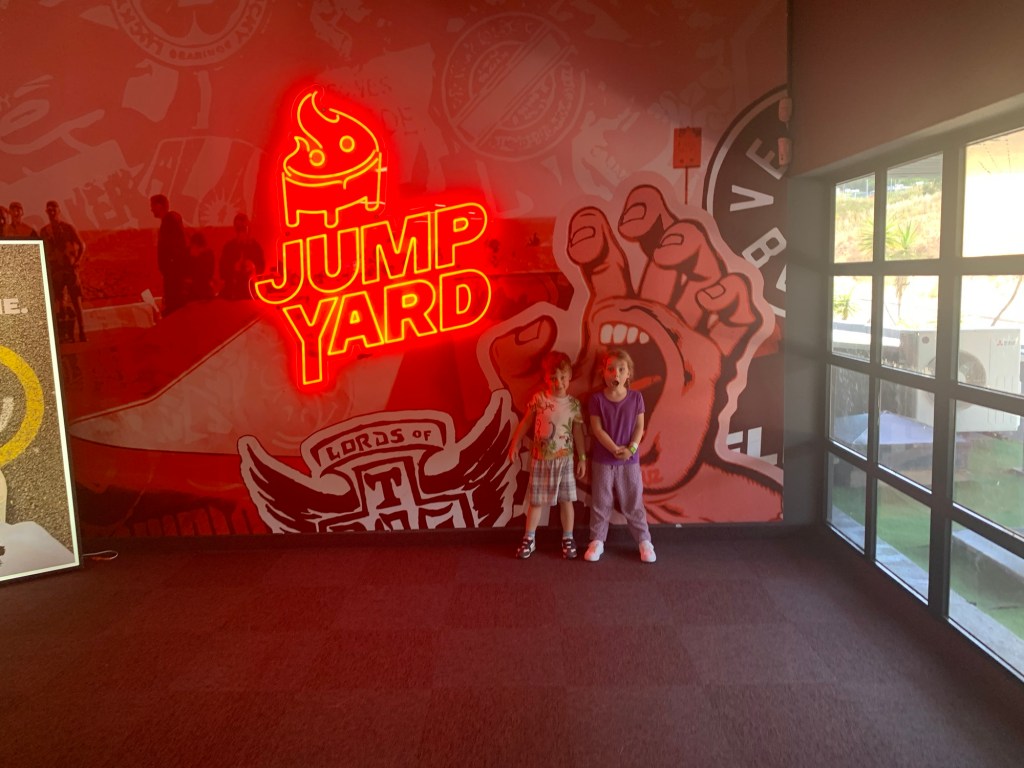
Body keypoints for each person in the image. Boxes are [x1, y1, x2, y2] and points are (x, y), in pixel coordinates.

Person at [508, 351, 586, 559]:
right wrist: (515, 443)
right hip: (541, 459)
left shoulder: (573, 404)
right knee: (536, 501)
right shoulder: (540, 399)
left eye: (562, 377)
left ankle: (568, 538)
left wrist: (582, 457)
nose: (558, 382)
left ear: (569, 376)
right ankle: (529, 538)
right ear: (546, 378)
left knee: (566, 500)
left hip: (565, 460)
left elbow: (578, 431)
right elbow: (526, 422)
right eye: (553, 378)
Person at [585, 348, 656, 563]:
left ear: (628, 374)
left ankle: (644, 541)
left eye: (621, 369)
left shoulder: (636, 398)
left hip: (629, 462)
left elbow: (639, 427)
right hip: (603, 461)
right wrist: (614, 449)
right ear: (604, 372)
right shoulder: (596, 399)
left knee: (633, 502)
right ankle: (597, 540)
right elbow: (597, 429)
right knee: (601, 502)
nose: (616, 373)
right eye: (611, 369)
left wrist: (630, 449)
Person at [40, 200, 87, 342]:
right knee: (59, 302)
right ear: (46, 212)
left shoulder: (68, 228)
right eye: (49, 211)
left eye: (54, 210)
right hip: (56, 270)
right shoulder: (45, 231)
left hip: (70, 269)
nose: (52, 213)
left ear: (59, 211)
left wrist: (77, 261)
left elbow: (82, 245)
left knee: (76, 301)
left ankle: (82, 331)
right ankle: (64, 333)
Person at [150, 193, 189, 316]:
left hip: (173, 272)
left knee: (174, 304)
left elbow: (173, 246)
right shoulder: (170, 220)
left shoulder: (169, 221)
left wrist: (171, 265)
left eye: (153, 206)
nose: (151, 209)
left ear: (159, 206)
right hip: (172, 271)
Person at [219, 213, 265, 300]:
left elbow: (262, 268)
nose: (241, 232)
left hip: (251, 289)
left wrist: (253, 267)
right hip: (233, 289)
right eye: (239, 229)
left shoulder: (255, 247)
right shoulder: (229, 247)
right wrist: (234, 268)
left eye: (244, 228)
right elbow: (222, 271)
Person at [186, 232, 216, 302]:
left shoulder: (206, 255)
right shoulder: (209, 254)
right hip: (202, 290)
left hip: (199, 291)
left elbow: (207, 274)